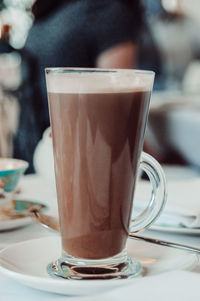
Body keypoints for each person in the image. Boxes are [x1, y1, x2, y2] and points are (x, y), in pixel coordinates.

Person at [14, 0, 145, 172]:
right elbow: (118, 116)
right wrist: (159, 159)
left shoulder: (51, 13)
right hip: (72, 164)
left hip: (36, 159)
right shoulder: (108, 13)